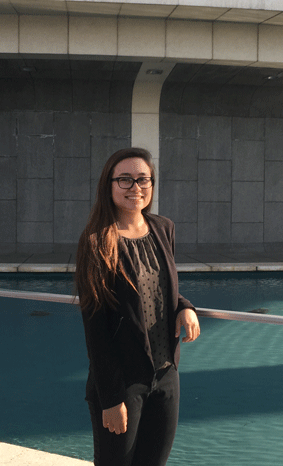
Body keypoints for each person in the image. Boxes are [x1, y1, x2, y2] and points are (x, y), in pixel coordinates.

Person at [75, 147, 200, 466]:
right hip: (123, 383)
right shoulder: (96, 241)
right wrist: (111, 398)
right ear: (109, 185)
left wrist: (184, 305)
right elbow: (96, 329)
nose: (136, 187)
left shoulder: (163, 228)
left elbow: (159, 286)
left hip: (166, 375)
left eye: (143, 179)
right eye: (125, 180)